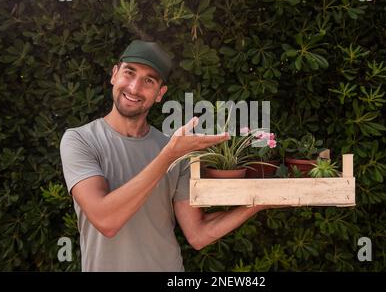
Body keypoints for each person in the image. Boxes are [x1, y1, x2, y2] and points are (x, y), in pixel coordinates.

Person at [60, 40, 269, 272]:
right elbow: (106, 221)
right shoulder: (80, 140)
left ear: (160, 94)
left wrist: (259, 203)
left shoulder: (175, 149)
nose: (134, 87)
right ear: (114, 74)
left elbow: (197, 234)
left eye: (148, 80)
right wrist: (168, 156)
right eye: (129, 73)